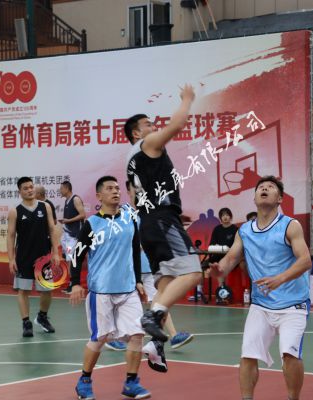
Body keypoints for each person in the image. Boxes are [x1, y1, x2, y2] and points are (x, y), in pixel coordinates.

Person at [210, 176, 312, 400]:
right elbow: (230, 259)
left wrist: (280, 279)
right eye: (260, 188)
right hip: (261, 304)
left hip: (293, 303)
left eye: (270, 187)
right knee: (248, 355)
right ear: (254, 198)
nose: (264, 189)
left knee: (290, 355)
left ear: (280, 199)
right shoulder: (245, 231)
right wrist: (219, 271)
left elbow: (305, 260)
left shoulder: (290, 225)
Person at [124, 84, 202, 350]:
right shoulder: (146, 145)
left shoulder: (132, 159)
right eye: (148, 124)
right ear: (137, 133)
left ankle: (155, 345)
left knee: (166, 285)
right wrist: (187, 99)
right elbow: (177, 125)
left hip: (152, 222)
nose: (154, 126)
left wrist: (170, 210)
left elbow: (137, 198)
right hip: (161, 221)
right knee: (193, 272)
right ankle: (151, 316)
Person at [69, 176, 150, 400]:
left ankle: (131, 382)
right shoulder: (92, 224)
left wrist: (138, 280)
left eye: (117, 188)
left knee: (137, 334)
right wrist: (75, 283)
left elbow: (135, 252)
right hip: (101, 291)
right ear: (99, 196)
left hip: (128, 289)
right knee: (99, 338)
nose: (115, 191)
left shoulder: (129, 220)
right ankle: (84, 380)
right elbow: (77, 256)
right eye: (109, 188)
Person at [105, 181, 194, 361]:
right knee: (122, 303)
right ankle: (113, 337)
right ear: (129, 191)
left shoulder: (149, 211)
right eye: (136, 188)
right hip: (129, 268)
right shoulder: (123, 213)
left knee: (160, 301)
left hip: (149, 266)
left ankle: (173, 336)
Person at [7, 177, 61, 337]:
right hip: (23, 258)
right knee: (23, 290)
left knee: (47, 290)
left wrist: (55, 252)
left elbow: (52, 229)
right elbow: (10, 236)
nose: (30, 190)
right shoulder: (15, 211)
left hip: (43, 258)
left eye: (31, 187)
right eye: (26, 188)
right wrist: (11, 259)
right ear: (20, 191)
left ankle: (42, 317)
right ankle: (26, 322)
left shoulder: (45, 207)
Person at [59, 180, 86, 294]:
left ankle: (74, 284)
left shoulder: (75, 199)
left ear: (67, 188)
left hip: (74, 236)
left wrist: (68, 220)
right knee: (68, 259)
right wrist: (65, 222)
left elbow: (83, 215)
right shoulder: (67, 200)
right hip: (67, 235)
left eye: (61, 188)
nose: (60, 191)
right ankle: (71, 283)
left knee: (72, 260)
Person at [209, 207, 239, 289]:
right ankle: (221, 288)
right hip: (218, 255)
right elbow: (212, 245)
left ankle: (221, 289)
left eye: (227, 215)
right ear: (220, 218)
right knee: (207, 264)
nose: (225, 217)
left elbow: (237, 245)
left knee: (222, 265)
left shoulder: (235, 229)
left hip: (231, 256)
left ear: (230, 217)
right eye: (223, 215)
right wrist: (220, 248)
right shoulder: (217, 229)